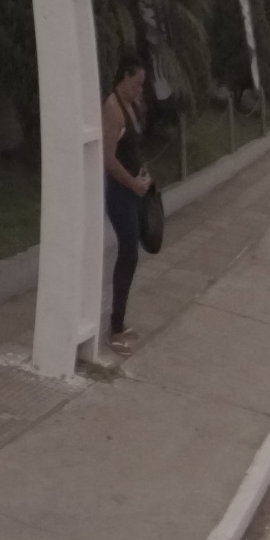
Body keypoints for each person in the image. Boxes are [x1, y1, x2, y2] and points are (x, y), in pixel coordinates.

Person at [102, 55, 156, 346]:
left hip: (136, 189)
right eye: (136, 83)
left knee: (135, 250)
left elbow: (133, 148)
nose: (139, 89)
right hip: (121, 193)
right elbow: (108, 159)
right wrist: (132, 182)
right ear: (124, 76)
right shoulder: (113, 109)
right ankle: (115, 326)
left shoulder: (133, 105)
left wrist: (143, 176)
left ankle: (119, 321)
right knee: (128, 254)